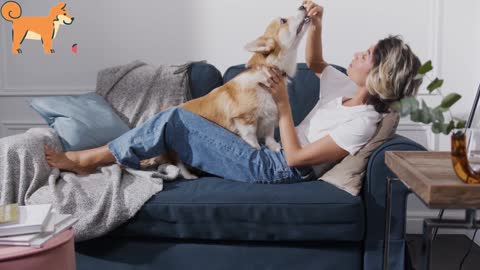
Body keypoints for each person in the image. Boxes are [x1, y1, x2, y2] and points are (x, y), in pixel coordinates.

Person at [44, 0, 422, 183]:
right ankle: (124, 156)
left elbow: (295, 160)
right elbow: (319, 62)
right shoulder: (344, 86)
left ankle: (89, 159)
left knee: (177, 118)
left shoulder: (362, 121)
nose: (358, 53)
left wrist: (284, 106)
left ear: (378, 76)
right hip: (273, 157)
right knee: (179, 116)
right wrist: (316, 25)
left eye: (368, 55)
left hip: (275, 169)